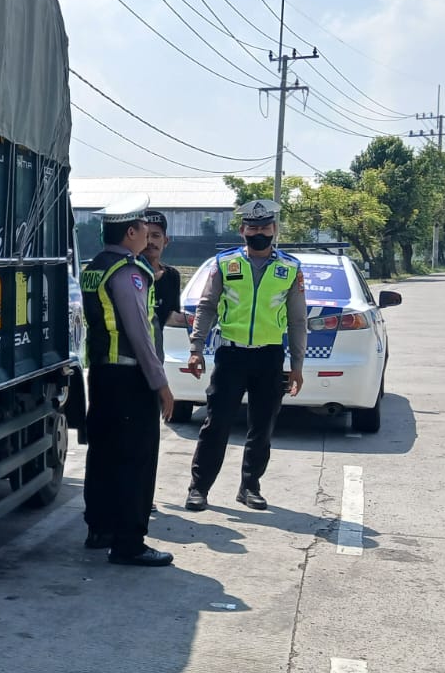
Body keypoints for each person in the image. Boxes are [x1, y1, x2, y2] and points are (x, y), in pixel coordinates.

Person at [184, 199, 307, 512]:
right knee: (217, 422)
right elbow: (207, 306)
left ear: (274, 230)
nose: (259, 232)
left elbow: (297, 320)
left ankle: (250, 486)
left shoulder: (290, 268)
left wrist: (297, 365)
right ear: (242, 230)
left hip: (269, 357)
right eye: (253, 227)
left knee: (262, 426)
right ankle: (199, 488)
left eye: (265, 227)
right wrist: (196, 348)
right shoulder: (225, 264)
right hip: (231, 356)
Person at [80, 196, 175, 567]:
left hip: (102, 374)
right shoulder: (128, 271)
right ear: (130, 231)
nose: (148, 236)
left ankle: (99, 528)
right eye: (142, 230)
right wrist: (161, 384)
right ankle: (129, 542)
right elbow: (140, 331)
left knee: (102, 454)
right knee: (135, 459)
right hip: (128, 376)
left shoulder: (95, 266)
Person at [140, 209, 186, 359]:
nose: (150, 242)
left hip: (155, 354)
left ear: (165, 241)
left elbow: (171, 317)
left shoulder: (172, 276)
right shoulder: (127, 274)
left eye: (156, 236)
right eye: (145, 236)